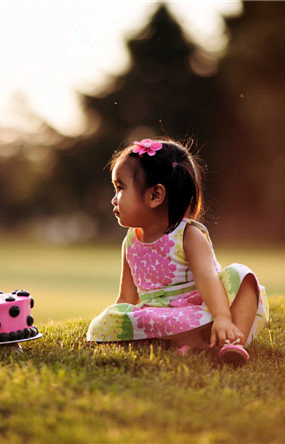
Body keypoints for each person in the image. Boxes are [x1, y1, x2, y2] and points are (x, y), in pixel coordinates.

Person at [86, 137, 269, 365]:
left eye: (120, 188)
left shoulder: (188, 235)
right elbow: (126, 297)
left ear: (155, 196)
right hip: (159, 317)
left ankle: (231, 341)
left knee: (242, 276)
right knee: (109, 319)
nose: (114, 199)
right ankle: (191, 345)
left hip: (202, 312)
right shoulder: (130, 243)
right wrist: (116, 322)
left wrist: (222, 316)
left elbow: (208, 279)